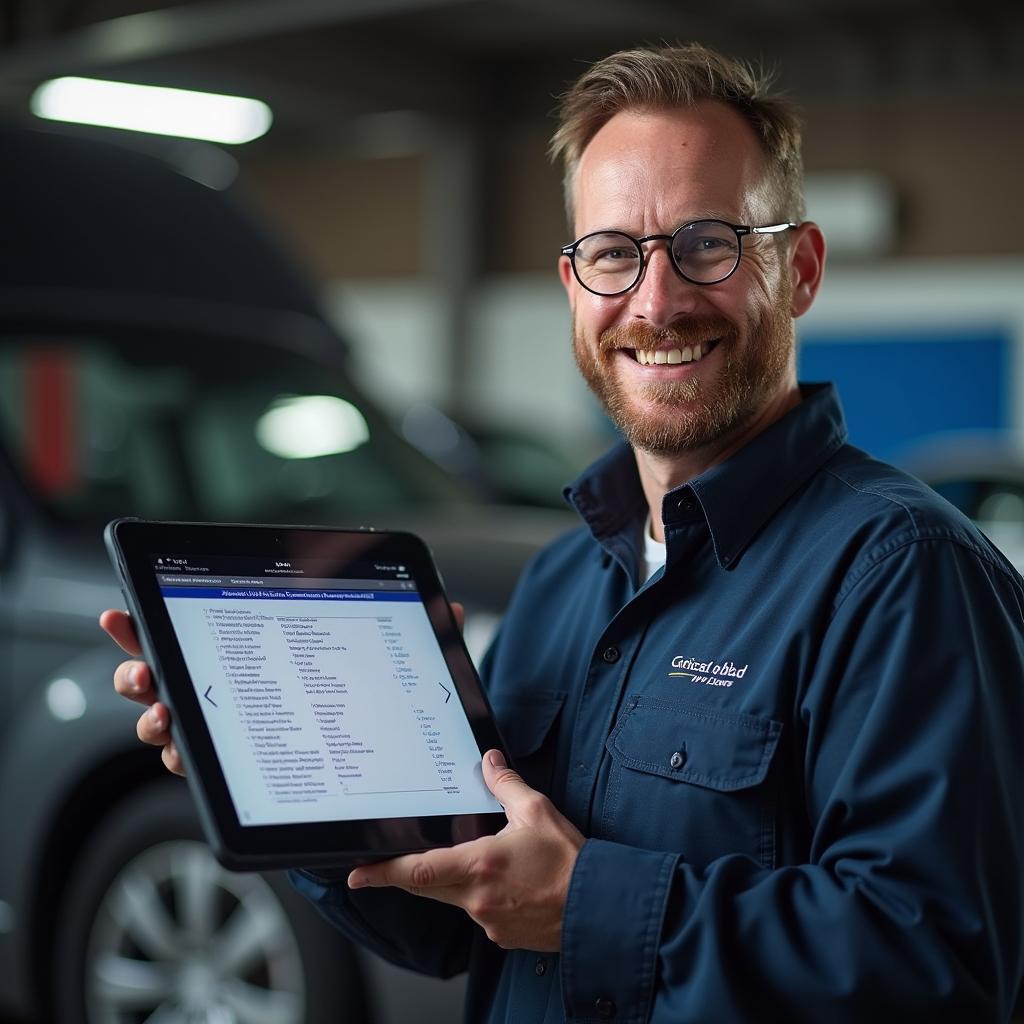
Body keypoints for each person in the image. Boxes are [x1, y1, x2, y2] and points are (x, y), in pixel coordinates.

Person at [103, 42, 1024, 1023]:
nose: (657, 302)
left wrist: (589, 902)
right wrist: (296, 788)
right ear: (573, 284)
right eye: (614, 253)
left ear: (796, 268)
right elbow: (456, 925)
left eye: (707, 242)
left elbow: (939, 963)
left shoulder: (903, 575)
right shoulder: (560, 583)